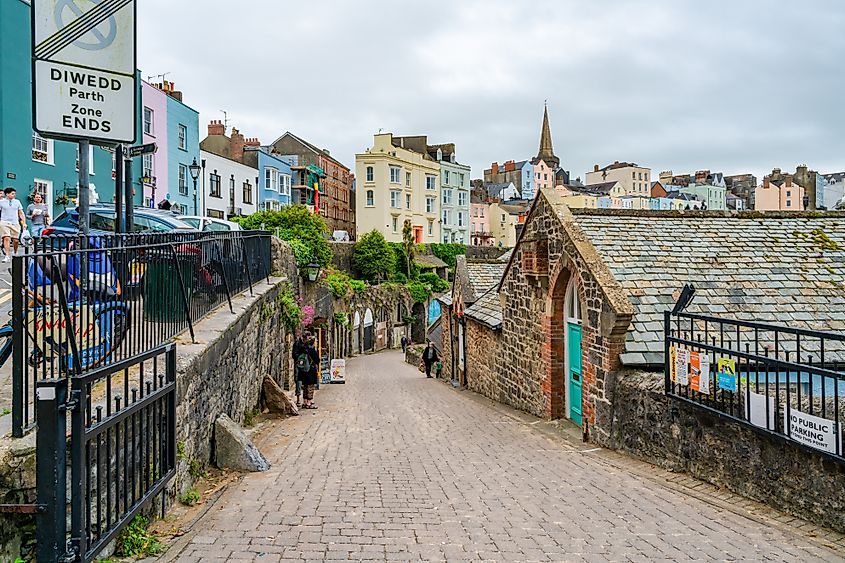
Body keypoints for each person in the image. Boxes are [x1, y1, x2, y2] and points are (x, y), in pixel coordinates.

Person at [0, 188, 25, 263]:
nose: (14, 195)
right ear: (7, 194)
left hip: (15, 223)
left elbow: (21, 212)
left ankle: (15, 251)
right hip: (4, 222)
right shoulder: (1, 202)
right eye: (12, 193)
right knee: (6, 238)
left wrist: (23, 223)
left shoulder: (17, 202)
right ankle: (7, 256)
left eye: (14, 193)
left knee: (16, 240)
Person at [296, 333, 320, 409]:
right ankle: (309, 403)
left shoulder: (302, 348)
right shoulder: (311, 349)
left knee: (305, 386)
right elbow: (317, 360)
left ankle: (304, 401)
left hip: (303, 370)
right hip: (310, 369)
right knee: (310, 386)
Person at [292, 332, 307, 407]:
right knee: (299, 381)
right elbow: (294, 354)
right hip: (299, 365)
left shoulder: (305, 343)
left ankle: (305, 400)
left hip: (305, 365)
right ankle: (298, 398)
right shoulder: (298, 343)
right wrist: (300, 358)